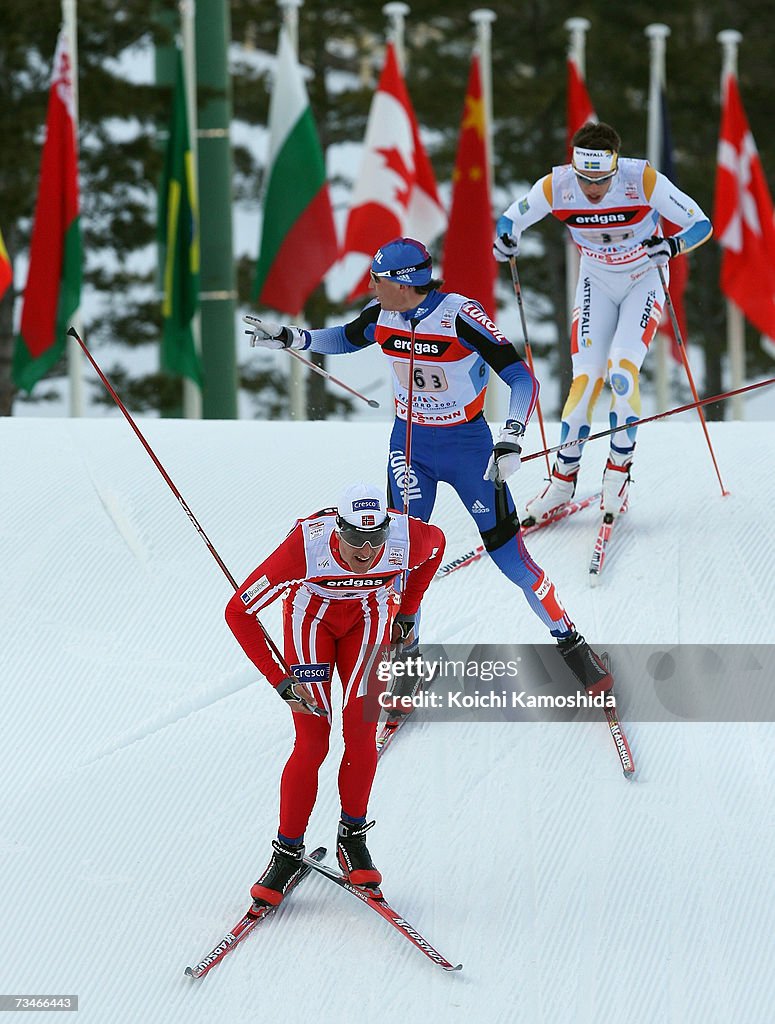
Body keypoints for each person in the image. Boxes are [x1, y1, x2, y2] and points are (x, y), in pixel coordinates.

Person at [244, 236, 613, 701]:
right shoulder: (382, 314)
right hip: (410, 447)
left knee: (512, 562)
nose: (371, 286)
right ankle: (407, 661)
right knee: (398, 560)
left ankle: (571, 644)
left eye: (378, 279)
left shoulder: (458, 314)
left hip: (468, 448)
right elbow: (344, 337)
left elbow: (520, 377)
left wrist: (512, 438)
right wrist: (290, 338)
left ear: (403, 284)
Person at [225, 482, 445, 905]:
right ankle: (286, 853)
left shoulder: (406, 538)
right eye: (355, 540)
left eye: (375, 539)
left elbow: (437, 548)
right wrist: (280, 680)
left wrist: (409, 609)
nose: (365, 552)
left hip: (369, 618)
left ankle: (352, 839)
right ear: (337, 531)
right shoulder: (304, 550)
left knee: (360, 733)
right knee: (312, 742)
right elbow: (238, 611)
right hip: (313, 621)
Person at [494, 121, 712, 524]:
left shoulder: (642, 180)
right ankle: (562, 482)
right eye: (584, 179)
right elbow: (509, 220)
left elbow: (702, 224)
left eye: (601, 180)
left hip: (642, 280)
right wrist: (506, 239)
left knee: (622, 372)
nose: (592, 189)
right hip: (595, 280)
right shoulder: (555, 186)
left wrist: (673, 245)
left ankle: (617, 476)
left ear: (615, 168)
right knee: (586, 381)